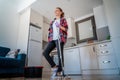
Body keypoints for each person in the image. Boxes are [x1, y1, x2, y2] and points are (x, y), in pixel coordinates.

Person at [43, 7, 68, 77]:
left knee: (60, 55)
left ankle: (60, 71)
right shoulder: (52, 22)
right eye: (55, 11)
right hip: (52, 39)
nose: (55, 12)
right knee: (45, 53)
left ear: (61, 12)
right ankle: (54, 66)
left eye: (57, 10)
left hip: (60, 39)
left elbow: (66, 29)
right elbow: (51, 31)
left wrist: (59, 26)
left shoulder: (63, 20)